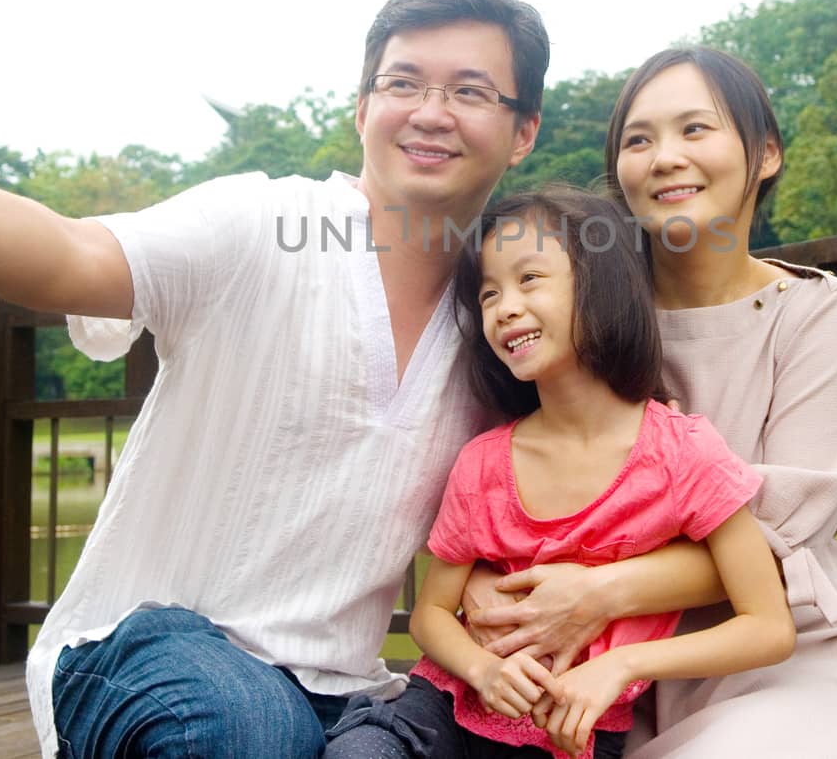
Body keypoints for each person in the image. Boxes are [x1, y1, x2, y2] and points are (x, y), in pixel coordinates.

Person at [0, 0, 558, 759]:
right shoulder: (261, 225)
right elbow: (67, 254)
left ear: (523, 131)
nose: (430, 111)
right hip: (150, 653)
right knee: (246, 729)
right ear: (361, 110)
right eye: (402, 83)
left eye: (471, 91)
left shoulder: (501, 320)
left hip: (343, 691)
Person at [325, 187, 795, 759]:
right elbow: (431, 614)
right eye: (490, 292)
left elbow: (769, 626)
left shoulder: (682, 454)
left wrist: (622, 666)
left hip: (571, 735)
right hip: (442, 711)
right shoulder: (483, 463)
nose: (505, 307)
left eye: (530, 280)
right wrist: (482, 670)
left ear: (601, 286)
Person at [604, 45, 837, 756]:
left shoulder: (815, 312)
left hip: (786, 658)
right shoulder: (590, 317)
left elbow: (780, 522)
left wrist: (593, 590)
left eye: (695, 129)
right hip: (607, 671)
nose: (665, 157)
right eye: (638, 140)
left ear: (765, 153)